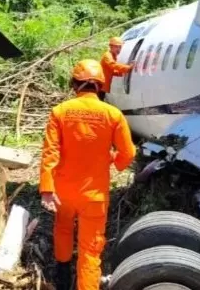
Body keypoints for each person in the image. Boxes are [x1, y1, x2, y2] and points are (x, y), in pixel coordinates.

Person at [39, 59, 137, 290]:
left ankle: (62, 273)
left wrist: (46, 189)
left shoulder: (60, 111)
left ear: (74, 84)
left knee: (63, 228)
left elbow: (50, 152)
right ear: (101, 86)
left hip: (63, 192)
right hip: (95, 195)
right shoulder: (113, 114)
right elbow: (128, 153)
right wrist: (114, 160)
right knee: (90, 250)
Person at [99, 37, 134, 101]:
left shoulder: (113, 56)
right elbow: (113, 65)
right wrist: (128, 68)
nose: (118, 49)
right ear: (111, 47)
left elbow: (110, 71)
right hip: (100, 85)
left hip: (103, 86)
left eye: (120, 47)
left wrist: (120, 73)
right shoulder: (107, 56)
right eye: (116, 47)